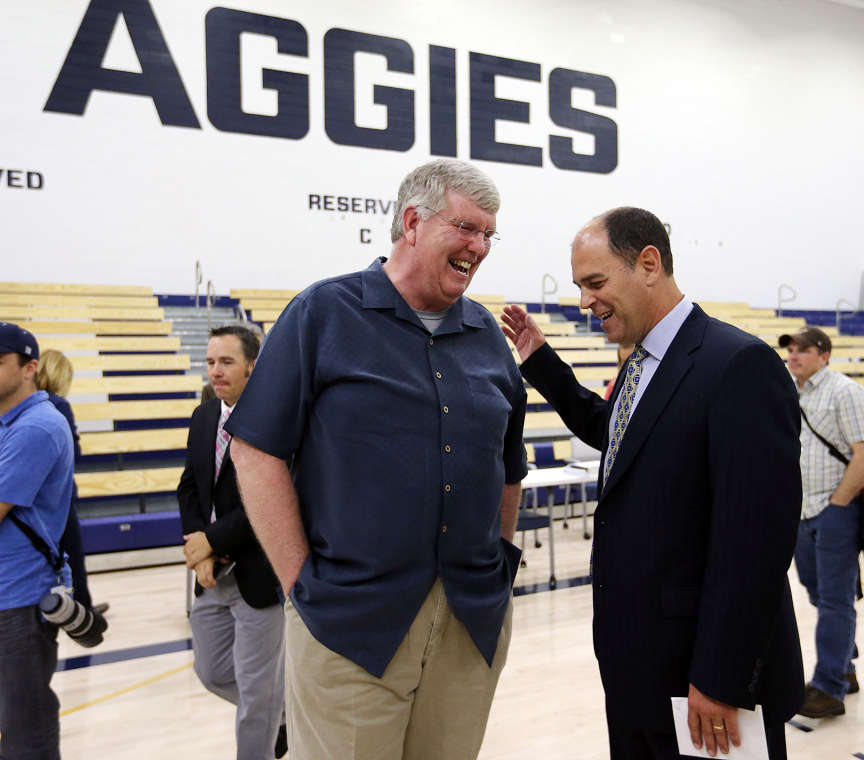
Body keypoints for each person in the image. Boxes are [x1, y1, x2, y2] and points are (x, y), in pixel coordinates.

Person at [226, 159, 527, 760]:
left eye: (490, 234)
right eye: (467, 228)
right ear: (412, 222)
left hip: (470, 624)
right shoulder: (323, 314)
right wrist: (298, 583)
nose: (480, 246)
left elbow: (508, 467)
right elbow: (256, 448)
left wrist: (492, 567)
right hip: (348, 622)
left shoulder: (489, 338)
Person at [501, 207, 804, 760]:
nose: (585, 301)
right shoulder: (643, 363)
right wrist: (541, 362)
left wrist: (719, 677)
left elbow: (755, 544)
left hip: (705, 681)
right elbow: (614, 432)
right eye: (579, 287)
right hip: (636, 669)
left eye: (596, 283)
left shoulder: (739, 364)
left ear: (648, 263)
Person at [176, 325, 287, 760]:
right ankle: (282, 717)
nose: (215, 372)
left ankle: (268, 722)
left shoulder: (276, 420)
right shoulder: (204, 416)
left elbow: (272, 500)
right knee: (211, 671)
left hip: (261, 574)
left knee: (256, 697)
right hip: (212, 573)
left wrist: (212, 540)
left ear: (252, 366)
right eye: (209, 362)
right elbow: (189, 487)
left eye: (226, 362)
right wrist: (197, 545)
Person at [780, 327, 864, 718]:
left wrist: (839, 502)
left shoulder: (844, 391)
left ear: (824, 354)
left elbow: (862, 451)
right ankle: (844, 667)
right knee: (816, 592)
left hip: (835, 512)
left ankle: (829, 688)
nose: (794, 356)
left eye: (802, 350)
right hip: (802, 511)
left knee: (834, 601)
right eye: (790, 350)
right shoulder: (791, 392)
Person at [0, 322, 74, 760]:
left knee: (27, 732)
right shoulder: (9, 423)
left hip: (20, 600)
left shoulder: (37, 428)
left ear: (30, 368)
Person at [35, 348, 109, 615]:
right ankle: (83, 609)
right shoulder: (58, 405)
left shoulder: (26, 404)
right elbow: (72, 453)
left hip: (29, 498)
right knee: (73, 554)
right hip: (58, 496)